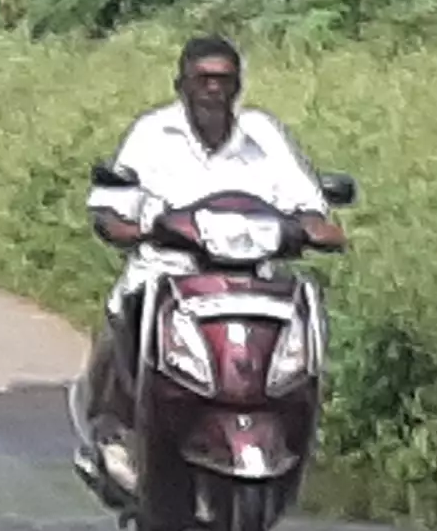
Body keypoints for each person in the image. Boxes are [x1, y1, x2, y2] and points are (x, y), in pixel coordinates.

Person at [81, 37, 341, 440]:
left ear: (239, 86)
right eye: (203, 79)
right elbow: (112, 207)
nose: (214, 89)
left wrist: (314, 228)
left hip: (254, 278)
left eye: (224, 79)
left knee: (303, 317)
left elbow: (306, 202)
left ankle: (295, 424)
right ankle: (114, 427)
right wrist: (130, 229)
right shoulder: (153, 133)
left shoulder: (264, 135)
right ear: (181, 85)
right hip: (167, 274)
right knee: (126, 311)